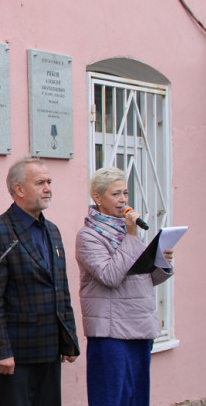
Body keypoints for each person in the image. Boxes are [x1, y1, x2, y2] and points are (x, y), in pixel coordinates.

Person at [0, 156, 79, 406]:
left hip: (50, 347)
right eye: (40, 183)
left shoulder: (52, 230)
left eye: (49, 182)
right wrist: (1, 351)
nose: (48, 188)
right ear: (19, 189)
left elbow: (60, 288)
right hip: (16, 354)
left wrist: (69, 340)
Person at [75, 167, 174, 406]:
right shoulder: (89, 236)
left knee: (137, 398)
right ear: (97, 198)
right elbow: (110, 276)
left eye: (125, 193)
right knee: (110, 399)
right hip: (111, 333)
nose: (123, 200)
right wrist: (131, 235)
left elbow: (143, 279)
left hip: (139, 326)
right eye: (115, 194)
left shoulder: (127, 232)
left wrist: (161, 261)